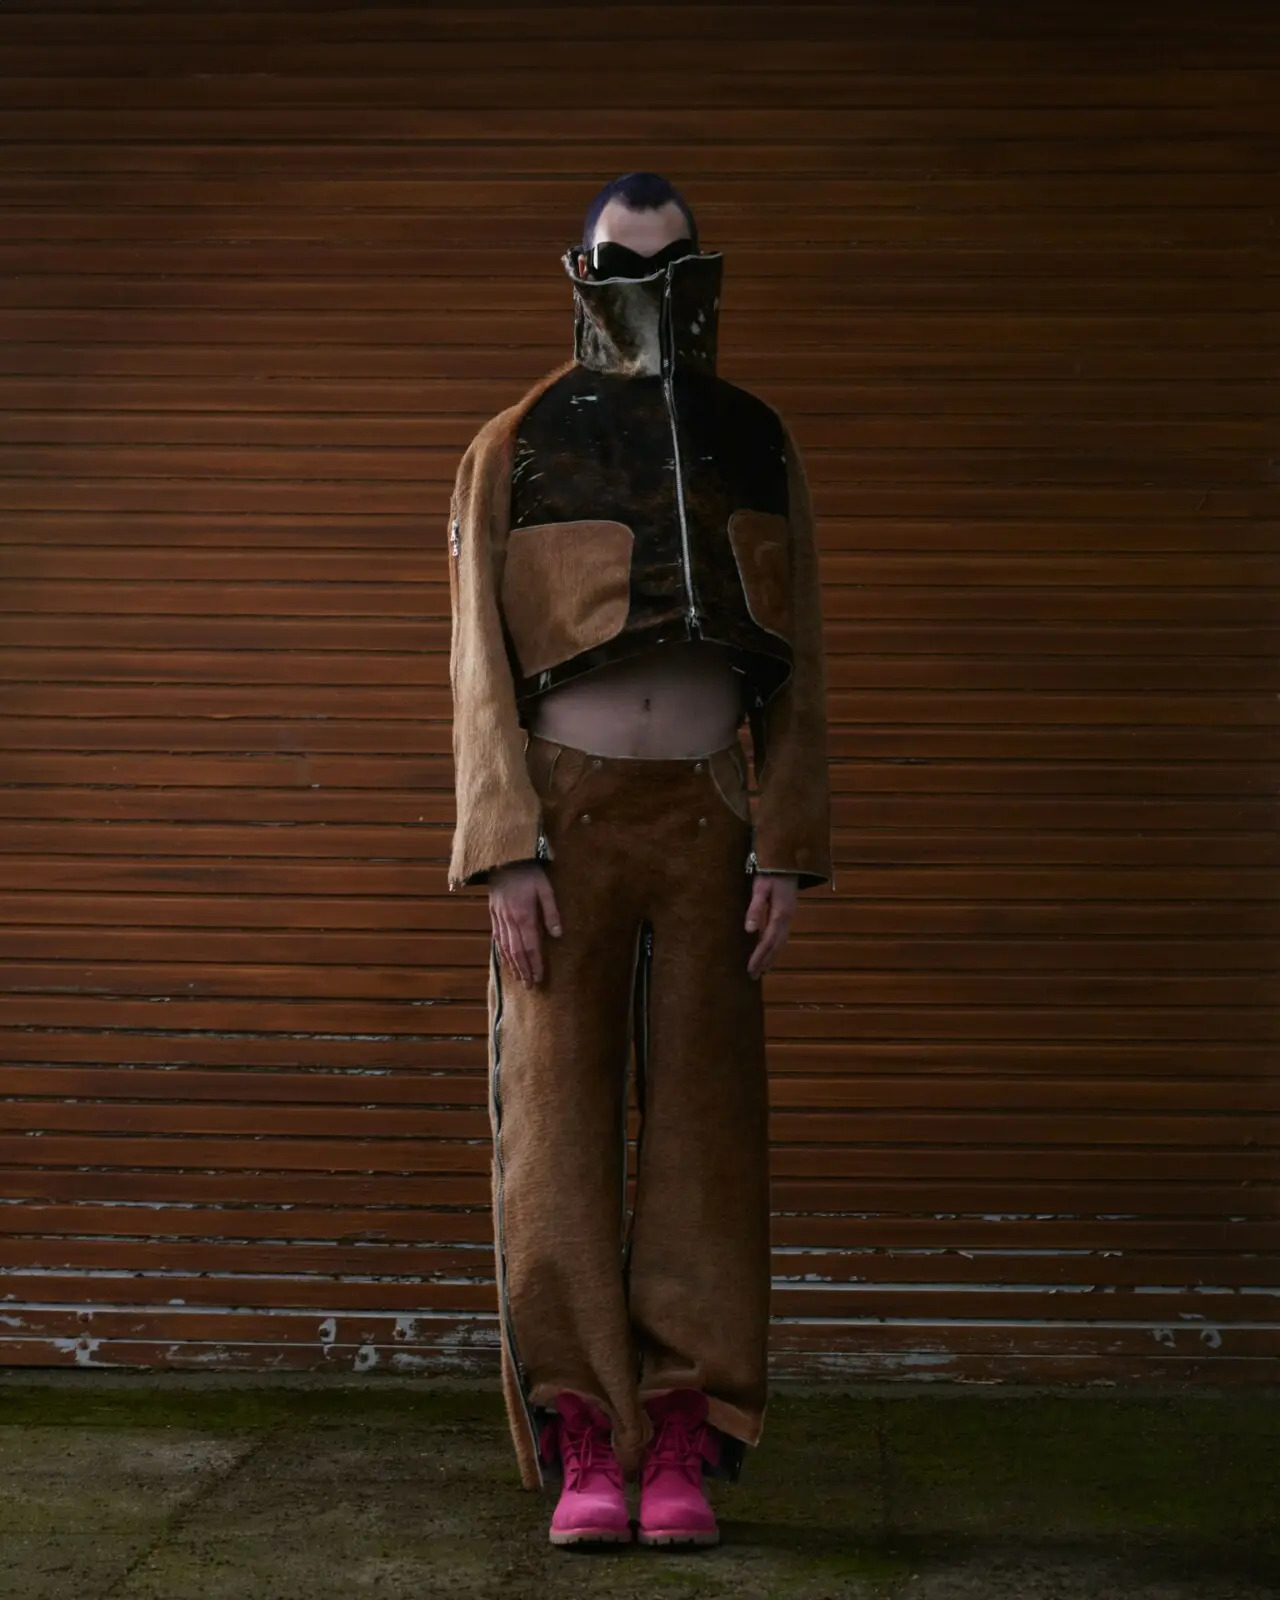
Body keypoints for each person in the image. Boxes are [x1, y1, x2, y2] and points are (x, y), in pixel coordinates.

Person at [446, 171, 833, 1550]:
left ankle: (680, 1426)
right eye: (622, 264)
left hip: (713, 816)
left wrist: (786, 842)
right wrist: (504, 847)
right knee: (555, 1124)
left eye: (671, 266)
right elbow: (473, 659)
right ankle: (581, 1434)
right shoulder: (518, 439)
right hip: (569, 816)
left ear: (704, 273)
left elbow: (802, 660)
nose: (648, 291)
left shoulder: (754, 439)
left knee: (707, 1131)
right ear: (582, 270)